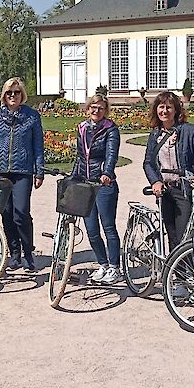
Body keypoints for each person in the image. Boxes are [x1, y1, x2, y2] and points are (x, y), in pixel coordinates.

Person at [0, 77, 45, 272]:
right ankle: (14, 253)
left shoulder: (32, 117)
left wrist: (39, 170)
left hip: (22, 171)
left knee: (21, 213)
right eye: (9, 93)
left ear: (22, 95)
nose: (12, 96)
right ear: (4, 95)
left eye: (16, 92)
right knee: (6, 214)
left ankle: (28, 252)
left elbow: (38, 146)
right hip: (0, 171)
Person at [143, 91, 194, 259]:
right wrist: (155, 181)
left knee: (186, 237)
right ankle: (178, 280)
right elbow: (148, 163)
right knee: (173, 237)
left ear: (176, 110)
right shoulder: (155, 134)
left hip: (185, 190)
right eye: (161, 107)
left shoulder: (190, 131)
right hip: (165, 191)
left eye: (168, 107)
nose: (164, 111)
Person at [72, 94, 122, 285]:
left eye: (100, 108)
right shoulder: (82, 128)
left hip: (103, 184)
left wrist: (107, 172)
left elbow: (111, 154)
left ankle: (114, 267)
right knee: (91, 229)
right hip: (86, 184)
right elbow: (80, 156)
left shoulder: (110, 129)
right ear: (87, 108)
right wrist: (73, 176)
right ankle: (103, 264)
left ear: (106, 111)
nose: (96, 111)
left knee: (108, 226)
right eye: (93, 107)